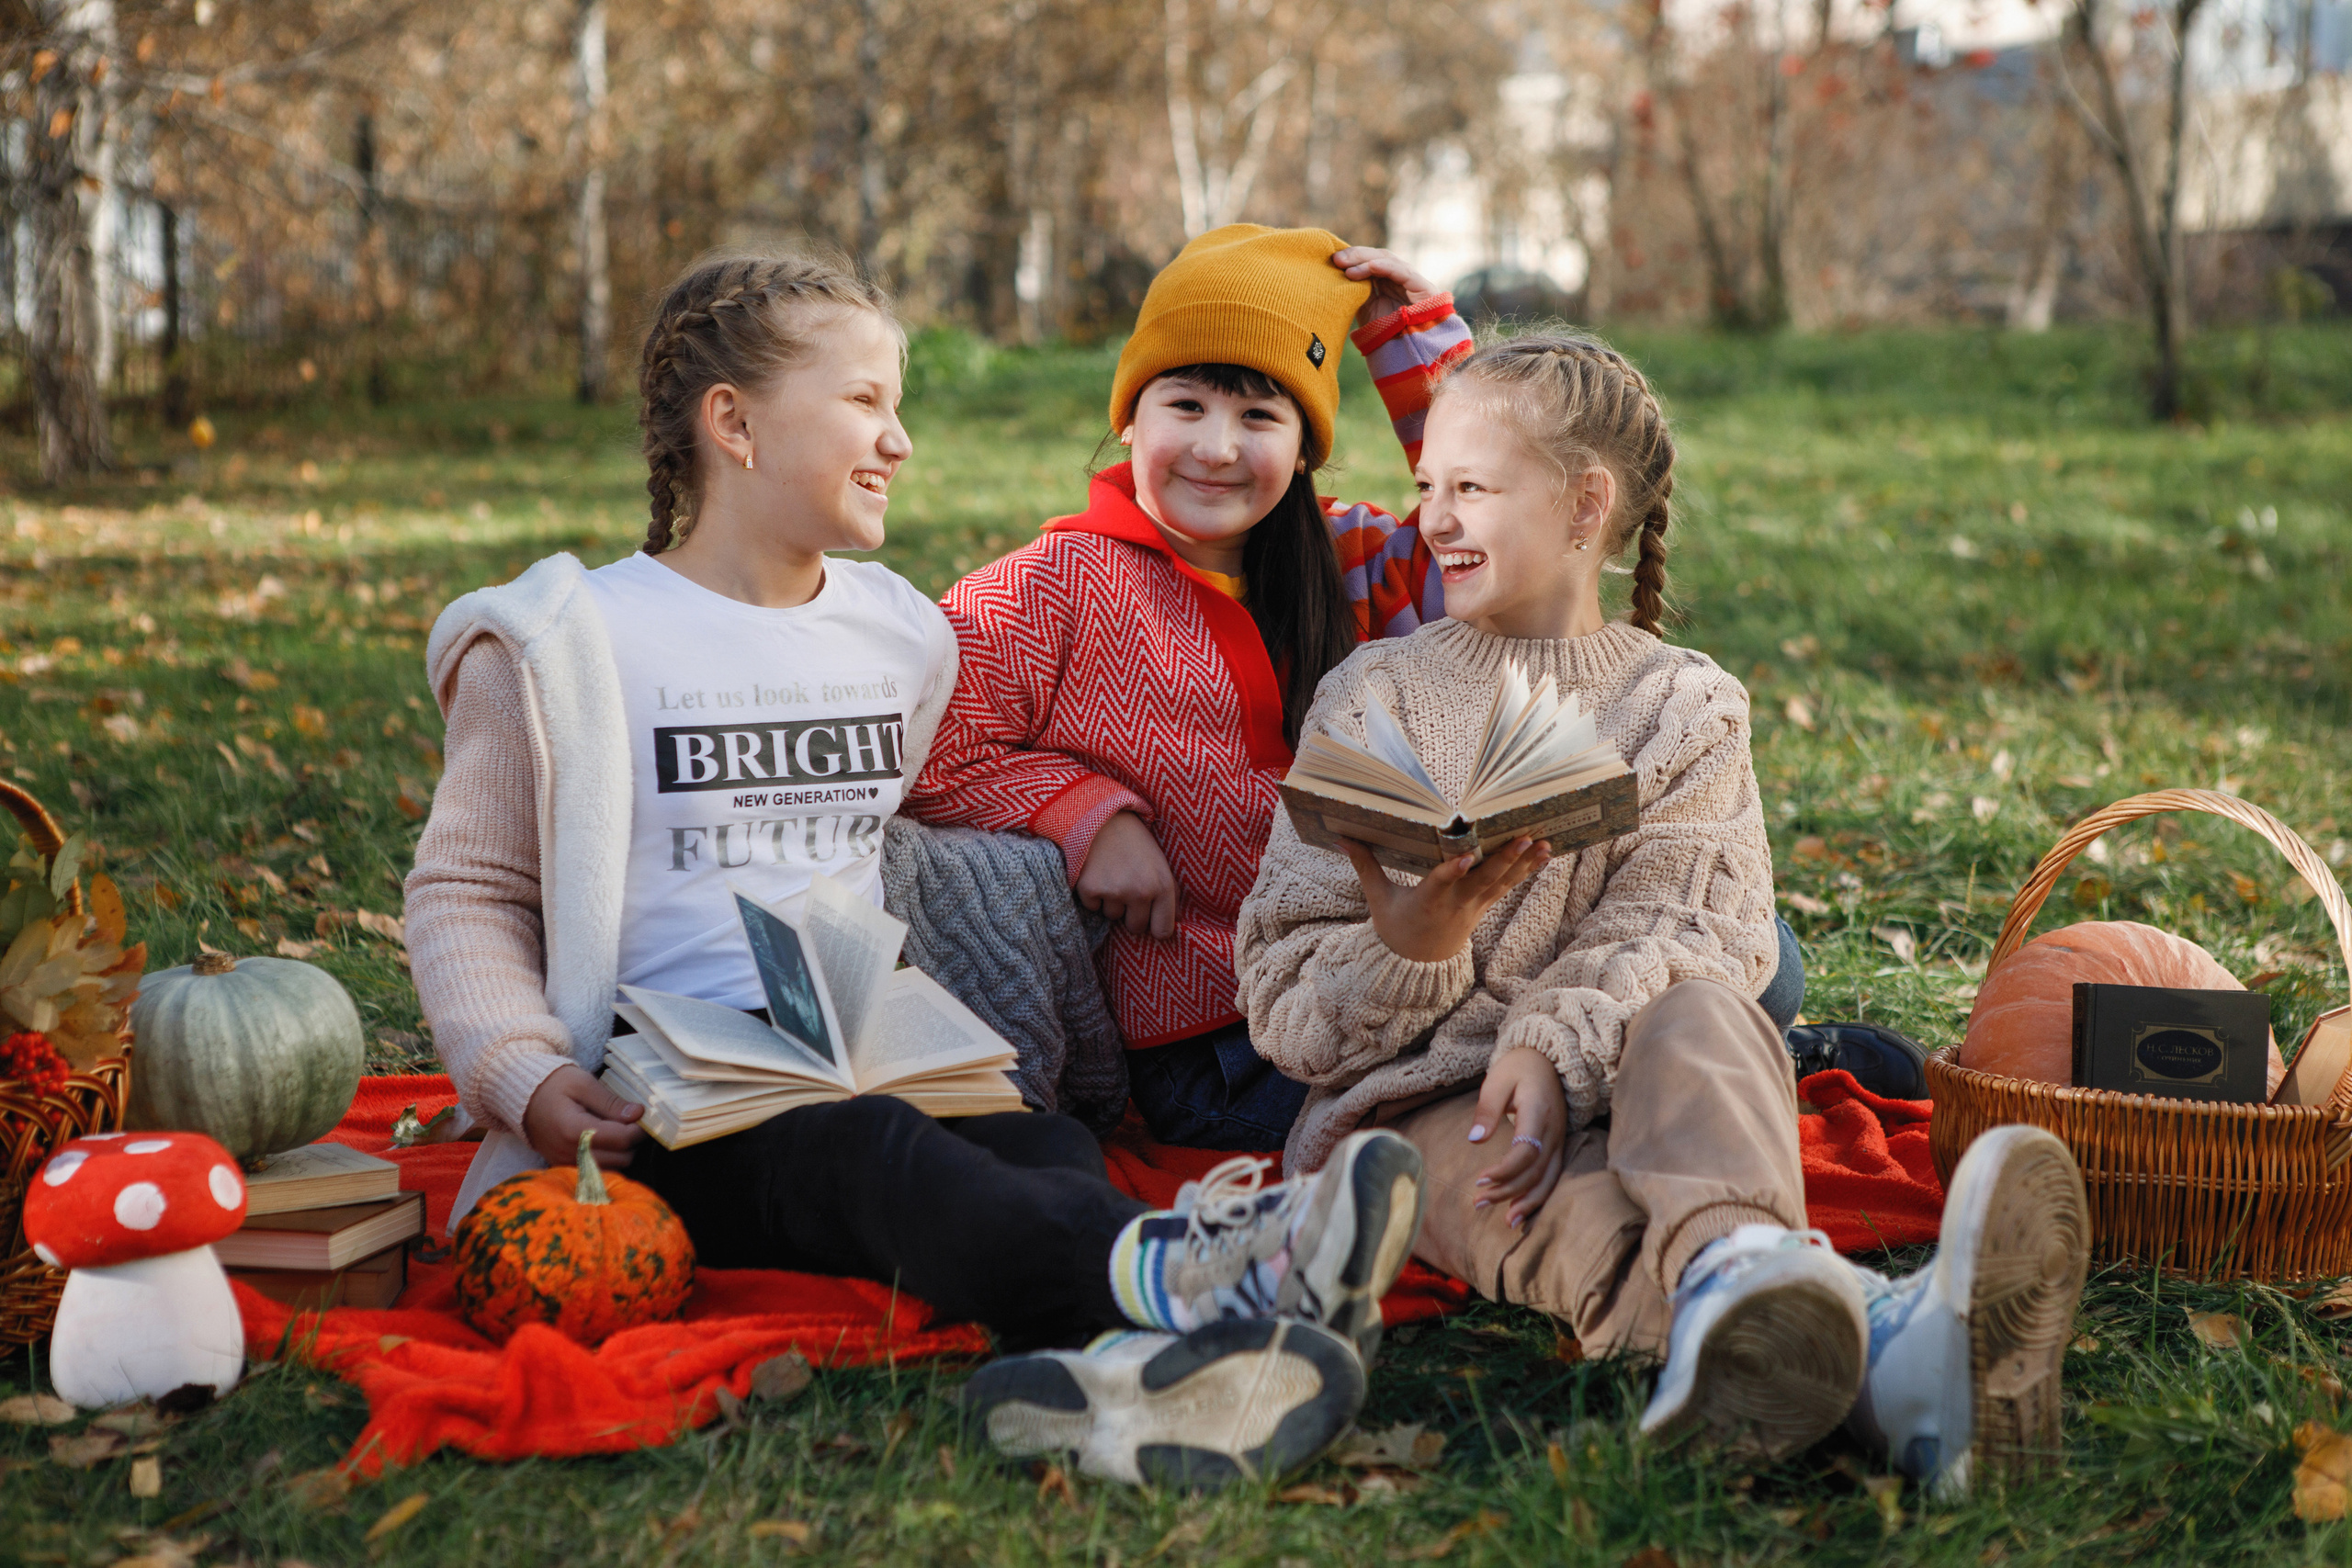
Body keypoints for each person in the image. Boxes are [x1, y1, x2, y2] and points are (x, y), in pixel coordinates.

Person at [402, 251, 1429, 1486]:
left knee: (1042, 1149)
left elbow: (962, 775)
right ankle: (1214, 1268)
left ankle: (1108, 1388)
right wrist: (522, 1072)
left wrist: (1084, 809)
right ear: (732, 423)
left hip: (861, 1030)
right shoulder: (570, 641)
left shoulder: (895, 635)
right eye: (863, 404)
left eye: (902, 407)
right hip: (669, 1083)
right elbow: (466, 889)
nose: (897, 441)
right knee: (875, 1158)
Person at [1235, 332, 2091, 1489]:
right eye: (1425, 485)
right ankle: (1878, 1347)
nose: (1432, 517)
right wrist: (1412, 947)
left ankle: (1747, 1286)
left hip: (1638, 1060)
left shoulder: (1680, 704)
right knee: (1518, 1195)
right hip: (1419, 1103)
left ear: (1586, 505)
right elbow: (1284, 991)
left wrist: (1553, 1043)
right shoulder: (1372, 693)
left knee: (1703, 1009)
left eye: (1472, 488)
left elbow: (1698, 928)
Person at [903, 225, 1472, 1150]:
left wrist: (1419, 352)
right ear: (1132, 416)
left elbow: (1481, 542)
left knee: (1738, 962)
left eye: (1259, 417)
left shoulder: (1348, 561)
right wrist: (1085, 816)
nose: (1216, 446)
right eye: (1186, 405)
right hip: (1212, 1039)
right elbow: (922, 749)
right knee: (1485, 1109)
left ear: (1304, 445)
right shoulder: (1050, 585)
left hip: (1380, 974)